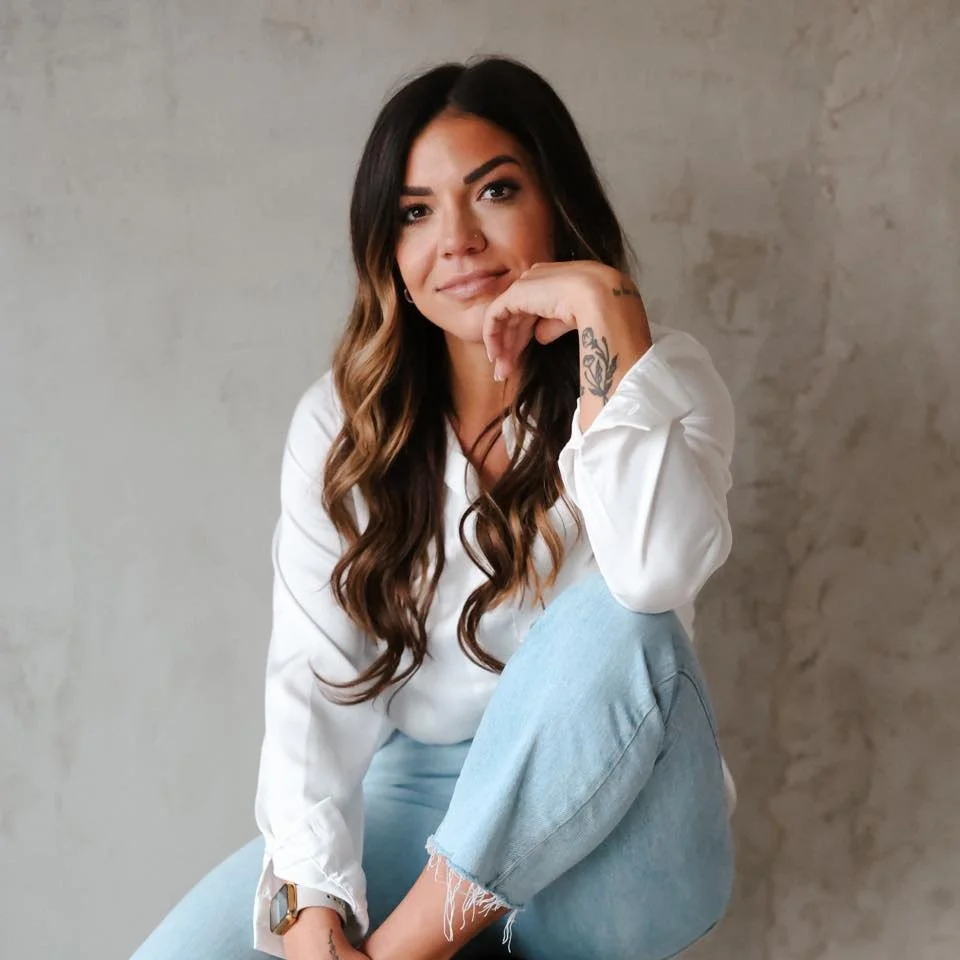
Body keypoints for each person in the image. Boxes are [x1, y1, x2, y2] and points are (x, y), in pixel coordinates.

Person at [131, 56, 737, 960]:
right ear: (388, 248)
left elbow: (652, 579)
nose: (455, 239)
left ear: (556, 203)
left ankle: (414, 946)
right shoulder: (342, 426)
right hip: (419, 801)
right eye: (416, 212)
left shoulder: (663, 378)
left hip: (624, 815)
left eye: (495, 191)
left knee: (619, 621)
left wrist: (604, 305)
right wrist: (310, 913)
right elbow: (310, 690)